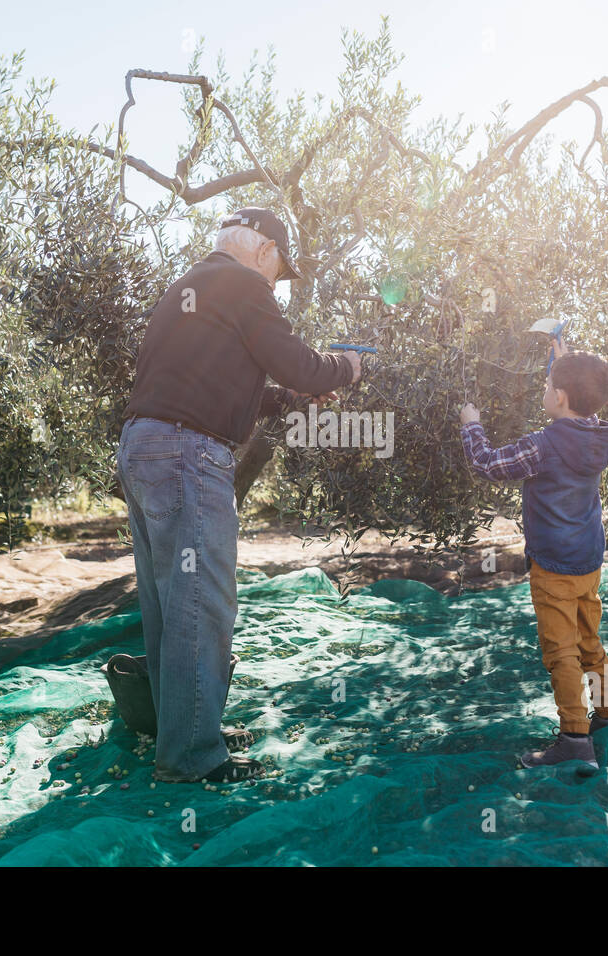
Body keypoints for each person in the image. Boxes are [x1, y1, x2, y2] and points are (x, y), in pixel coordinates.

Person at [112, 207, 362, 784]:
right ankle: (193, 759)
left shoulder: (188, 286)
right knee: (203, 602)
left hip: (143, 446)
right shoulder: (246, 284)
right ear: (265, 251)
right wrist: (345, 368)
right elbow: (296, 362)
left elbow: (215, 380)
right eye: (279, 270)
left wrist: (285, 400)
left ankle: (179, 729)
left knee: (168, 604)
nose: (276, 282)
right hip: (186, 453)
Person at [459, 341, 608, 770]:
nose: (544, 389)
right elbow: (584, 402)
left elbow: (489, 464)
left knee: (561, 651)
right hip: (589, 560)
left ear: (561, 397)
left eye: (549, 384)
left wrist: (471, 425)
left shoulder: (543, 445)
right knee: (590, 640)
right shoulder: (595, 436)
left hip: (552, 564)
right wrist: (565, 363)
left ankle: (574, 738)